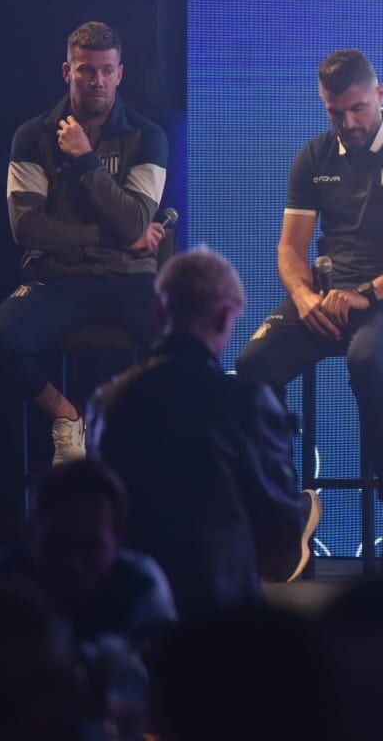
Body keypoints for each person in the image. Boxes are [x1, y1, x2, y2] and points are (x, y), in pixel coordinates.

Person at [236, 49, 383, 554]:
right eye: (335, 112)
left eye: (357, 109)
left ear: (380, 94)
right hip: (329, 291)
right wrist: (305, 297)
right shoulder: (314, 156)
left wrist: (368, 293)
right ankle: (283, 504)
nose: (347, 122)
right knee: (251, 366)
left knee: (366, 360)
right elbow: (290, 248)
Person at [0, 21, 168, 465]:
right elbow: (27, 229)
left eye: (106, 70)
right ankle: (68, 417)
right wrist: (112, 236)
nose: (97, 81)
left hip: (128, 279)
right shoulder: (32, 135)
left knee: (192, 357)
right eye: (86, 70)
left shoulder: (147, 135)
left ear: (120, 73)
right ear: (67, 72)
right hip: (56, 280)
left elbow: (135, 218)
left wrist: (84, 160)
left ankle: (145, 449)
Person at [86, 248, 318, 618]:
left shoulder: (107, 403)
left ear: (160, 313)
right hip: (222, 614)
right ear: (227, 316)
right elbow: (280, 541)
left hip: (132, 611)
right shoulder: (248, 403)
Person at [0, 458, 177, 646]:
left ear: (118, 540)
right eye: (58, 545)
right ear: (29, 533)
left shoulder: (141, 584)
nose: (74, 564)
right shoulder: (3, 587)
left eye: (91, 547)